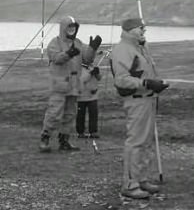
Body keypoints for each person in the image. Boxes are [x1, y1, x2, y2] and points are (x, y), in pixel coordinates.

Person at [111, 17, 169, 200]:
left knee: (145, 142)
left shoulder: (139, 47)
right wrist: (147, 83)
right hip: (136, 100)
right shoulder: (122, 50)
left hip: (147, 99)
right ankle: (129, 184)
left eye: (144, 28)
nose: (144, 31)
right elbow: (121, 80)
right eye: (140, 28)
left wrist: (155, 83)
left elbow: (145, 71)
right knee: (135, 142)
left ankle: (141, 179)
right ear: (129, 30)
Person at [40, 16, 102, 152]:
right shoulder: (54, 43)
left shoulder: (78, 43)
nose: (72, 30)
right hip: (59, 85)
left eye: (74, 28)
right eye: (69, 27)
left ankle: (64, 141)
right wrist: (68, 53)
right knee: (54, 113)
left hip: (74, 85)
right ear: (64, 28)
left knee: (70, 114)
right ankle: (45, 138)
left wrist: (92, 48)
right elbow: (56, 58)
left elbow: (87, 59)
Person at [76, 61, 102, 138]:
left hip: (92, 95)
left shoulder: (92, 66)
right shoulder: (78, 68)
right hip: (81, 96)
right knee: (81, 116)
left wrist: (97, 73)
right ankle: (80, 132)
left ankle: (93, 131)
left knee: (93, 114)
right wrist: (90, 74)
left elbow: (99, 78)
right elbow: (81, 80)